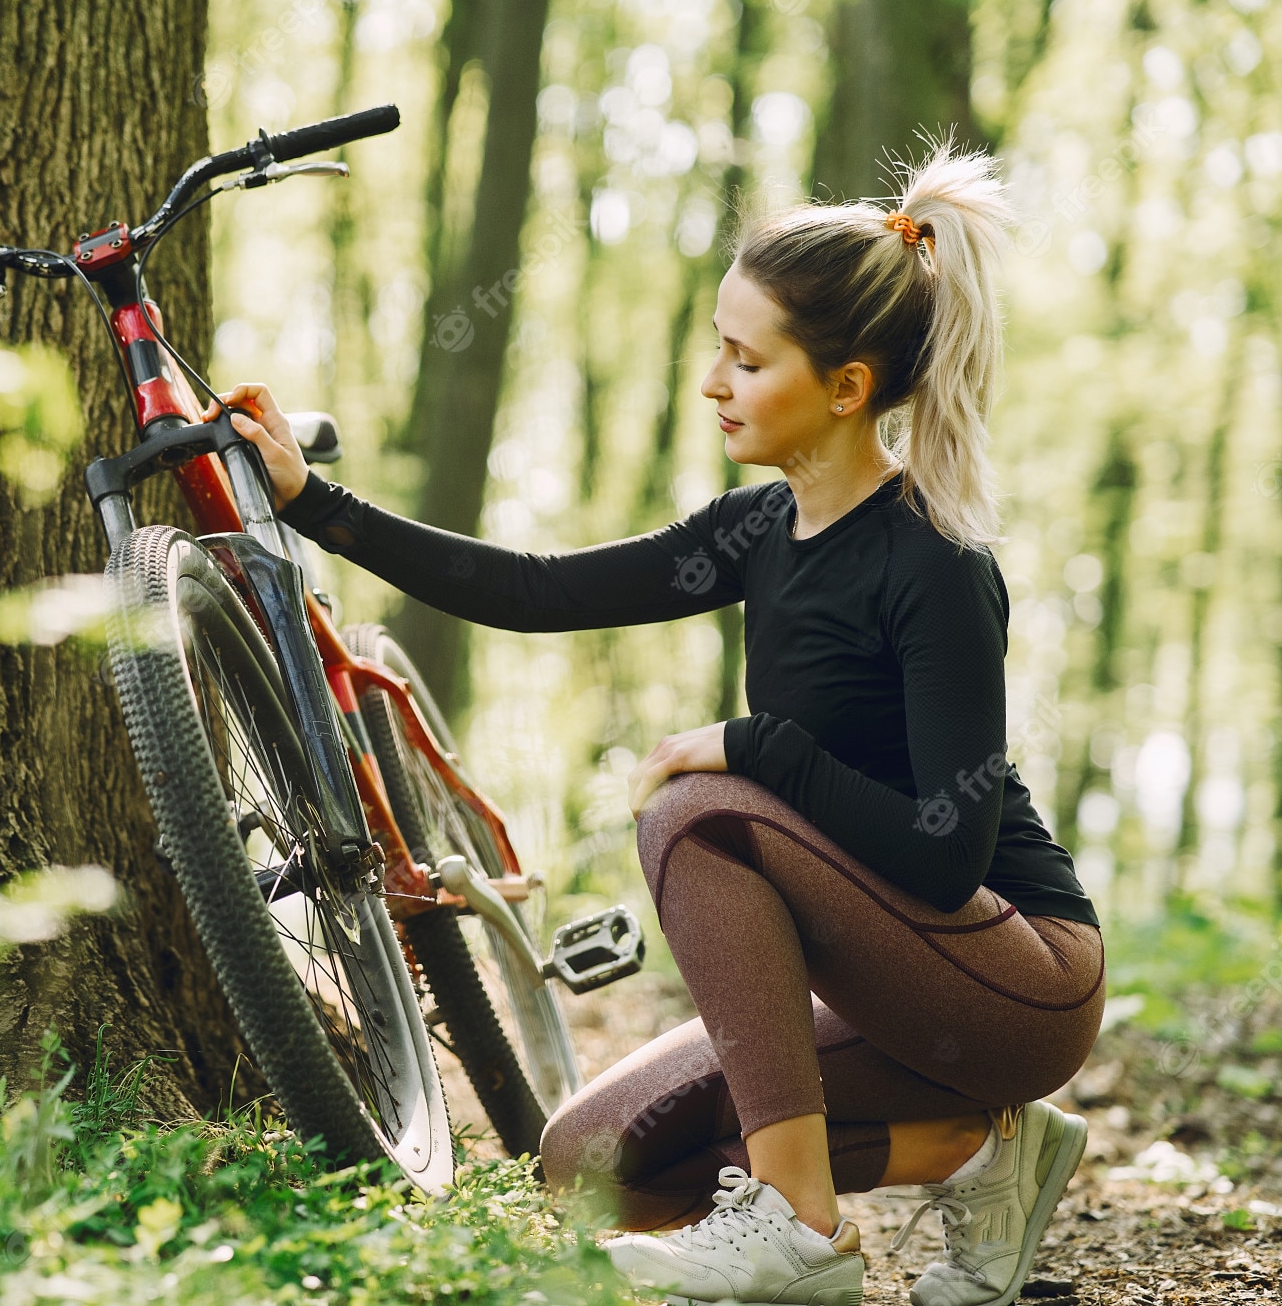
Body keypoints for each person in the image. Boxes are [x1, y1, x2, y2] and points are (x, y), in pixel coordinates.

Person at [219, 145, 1103, 1306]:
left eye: (746, 359)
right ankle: (983, 1153)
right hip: (886, 991)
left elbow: (944, 854)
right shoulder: (756, 531)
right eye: (717, 351)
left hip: (1013, 980)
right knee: (590, 1168)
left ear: (843, 388)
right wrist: (311, 504)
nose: (713, 382)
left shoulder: (932, 565)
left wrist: (753, 751)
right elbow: (537, 589)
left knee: (693, 814)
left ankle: (797, 1230)